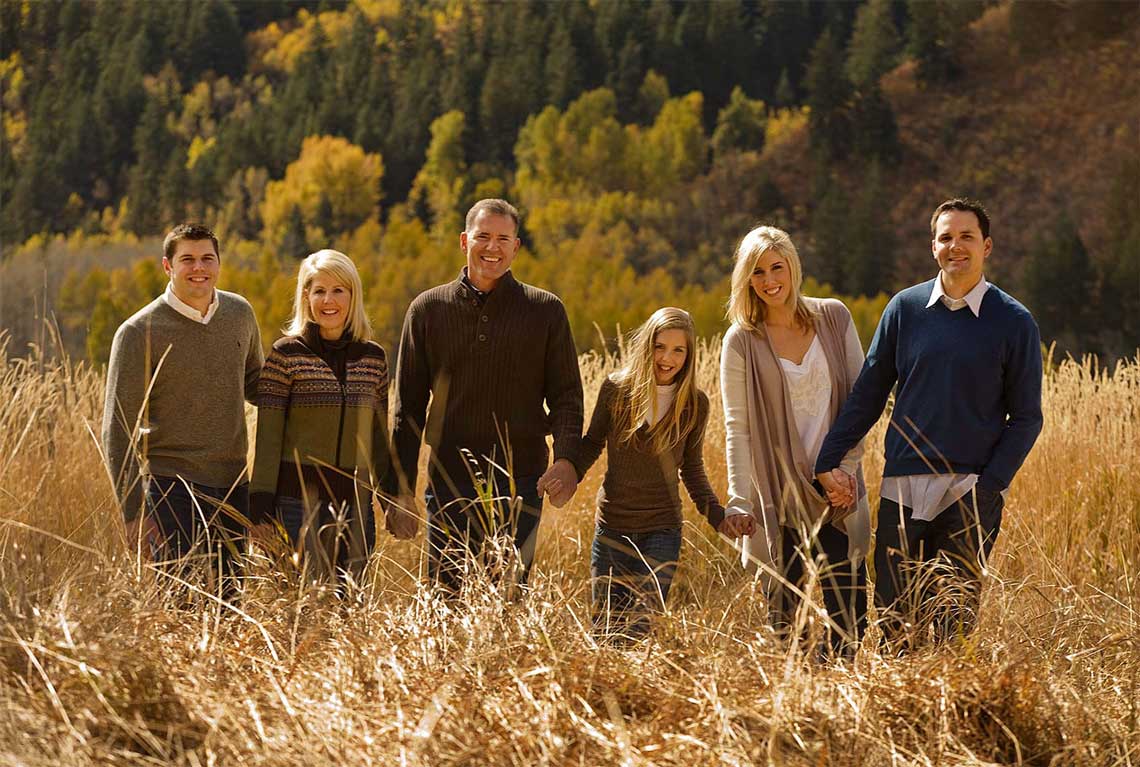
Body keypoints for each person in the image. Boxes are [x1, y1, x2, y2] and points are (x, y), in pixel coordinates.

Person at [814, 198, 1043, 649]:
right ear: (932, 246)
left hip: (970, 491)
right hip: (903, 486)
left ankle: (945, 715)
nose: (955, 246)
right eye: (945, 237)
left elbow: (1027, 418)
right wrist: (828, 457)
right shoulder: (905, 309)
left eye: (966, 237)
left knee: (952, 625)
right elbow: (869, 393)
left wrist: (989, 485)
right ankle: (899, 716)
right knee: (894, 617)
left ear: (987, 246)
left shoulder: (1014, 321)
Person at [388, 199, 583, 592]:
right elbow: (407, 408)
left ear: (516, 247)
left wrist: (565, 459)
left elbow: (567, 397)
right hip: (447, 482)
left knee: (508, 599)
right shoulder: (427, 310)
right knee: (444, 601)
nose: (492, 248)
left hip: (521, 483)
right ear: (464, 241)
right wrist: (400, 489)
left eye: (502, 239)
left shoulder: (545, 311)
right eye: (483, 237)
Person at [721, 225, 872, 658]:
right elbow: (738, 427)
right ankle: (799, 713)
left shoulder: (833, 317)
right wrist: (739, 499)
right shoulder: (742, 341)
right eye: (757, 272)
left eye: (776, 268)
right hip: (780, 498)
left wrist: (844, 469)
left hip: (837, 492)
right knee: (788, 629)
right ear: (745, 279)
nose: (769, 281)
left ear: (793, 266)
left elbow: (860, 403)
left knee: (849, 623)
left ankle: (844, 710)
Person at [572, 307, 755, 639]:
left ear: (688, 355)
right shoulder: (616, 390)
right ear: (647, 346)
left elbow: (693, 469)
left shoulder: (694, 405)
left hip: (662, 532)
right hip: (613, 527)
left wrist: (718, 516)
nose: (667, 358)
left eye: (678, 350)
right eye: (660, 346)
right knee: (605, 631)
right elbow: (592, 443)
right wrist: (567, 472)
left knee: (641, 631)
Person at [102, 223, 263, 595]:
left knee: (231, 602)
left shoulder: (240, 314)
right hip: (172, 489)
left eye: (207, 258)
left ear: (219, 263)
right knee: (182, 606)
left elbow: (257, 386)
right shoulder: (138, 332)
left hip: (233, 485)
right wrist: (133, 513)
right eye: (187, 259)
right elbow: (118, 427)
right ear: (167, 266)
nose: (198, 268)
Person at [249, 249, 391, 585]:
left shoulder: (373, 359)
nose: (329, 300)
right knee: (297, 609)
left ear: (353, 296)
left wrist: (393, 499)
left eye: (339, 290)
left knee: (350, 609)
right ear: (306, 297)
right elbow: (268, 440)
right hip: (296, 506)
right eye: (319, 291)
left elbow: (379, 439)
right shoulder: (286, 355)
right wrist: (259, 511)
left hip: (355, 508)